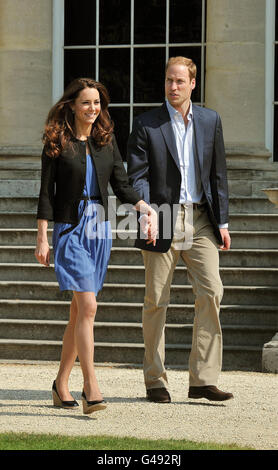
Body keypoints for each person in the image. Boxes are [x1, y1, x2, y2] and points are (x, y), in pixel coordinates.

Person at [35, 77, 157, 414]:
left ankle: (61, 385)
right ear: (72, 105)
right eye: (86, 102)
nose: (93, 109)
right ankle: (91, 387)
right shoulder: (56, 140)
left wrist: (146, 209)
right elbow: (46, 192)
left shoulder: (106, 140)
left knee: (79, 312)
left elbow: (122, 183)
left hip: (99, 229)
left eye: (97, 103)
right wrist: (42, 236)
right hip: (69, 228)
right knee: (88, 307)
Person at [127, 56, 234, 403]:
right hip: (160, 217)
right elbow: (137, 175)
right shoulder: (146, 124)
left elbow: (218, 173)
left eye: (179, 81)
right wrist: (144, 211)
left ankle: (202, 379)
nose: (173, 87)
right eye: (168, 81)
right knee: (156, 300)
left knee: (212, 291)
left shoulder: (209, 119)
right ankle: (155, 380)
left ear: (192, 84)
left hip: (200, 219)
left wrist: (223, 221)